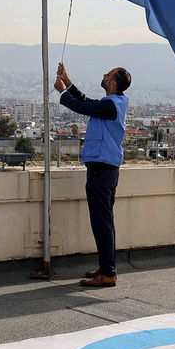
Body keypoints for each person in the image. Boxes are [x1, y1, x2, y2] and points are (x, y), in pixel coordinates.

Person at [54, 62, 131, 287]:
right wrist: (67, 81)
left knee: (101, 222)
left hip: (102, 167)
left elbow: (82, 107)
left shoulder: (110, 106)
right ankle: (106, 267)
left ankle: (108, 273)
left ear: (113, 83)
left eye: (107, 74)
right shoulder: (113, 103)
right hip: (105, 166)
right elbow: (87, 101)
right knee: (103, 221)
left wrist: (62, 93)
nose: (104, 75)